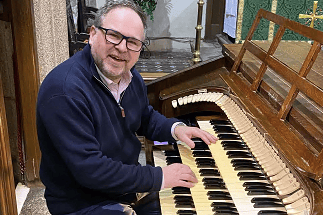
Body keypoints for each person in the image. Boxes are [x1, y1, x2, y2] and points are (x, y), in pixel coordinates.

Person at [36, 0, 217, 214]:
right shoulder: (64, 91)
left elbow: (145, 118)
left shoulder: (131, 78)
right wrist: (159, 177)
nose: (122, 48)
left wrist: (176, 129)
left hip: (123, 188)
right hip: (82, 202)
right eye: (113, 35)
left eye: (133, 42)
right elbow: (91, 170)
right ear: (93, 34)